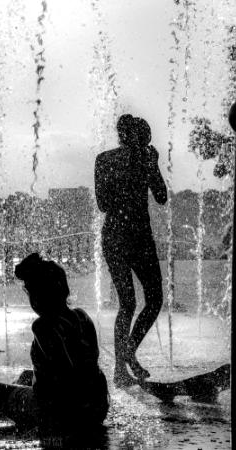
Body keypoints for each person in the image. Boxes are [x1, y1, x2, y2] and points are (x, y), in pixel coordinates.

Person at [0, 253, 109, 432]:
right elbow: (83, 368)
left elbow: (67, 375)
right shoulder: (82, 316)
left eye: (29, 290)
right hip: (96, 408)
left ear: (38, 295)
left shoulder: (44, 326)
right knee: (26, 376)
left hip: (57, 413)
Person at [94, 114, 168, 387]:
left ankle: (121, 365)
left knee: (128, 303)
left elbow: (102, 204)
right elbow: (161, 196)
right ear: (138, 138)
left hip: (114, 236)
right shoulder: (143, 161)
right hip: (137, 237)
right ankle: (127, 355)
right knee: (153, 299)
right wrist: (151, 165)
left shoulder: (104, 159)